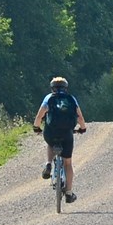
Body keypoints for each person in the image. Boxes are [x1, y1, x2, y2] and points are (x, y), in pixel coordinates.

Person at [33, 76, 88, 204]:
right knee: (67, 163)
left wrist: (36, 128)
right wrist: (82, 128)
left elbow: (39, 116)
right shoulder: (71, 99)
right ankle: (69, 193)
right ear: (65, 88)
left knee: (50, 143)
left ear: (52, 88)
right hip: (67, 133)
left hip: (51, 132)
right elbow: (80, 117)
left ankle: (48, 164)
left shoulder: (48, 98)